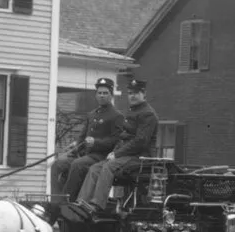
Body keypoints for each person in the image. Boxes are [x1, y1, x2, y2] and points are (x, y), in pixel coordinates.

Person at [71, 78, 159, 217]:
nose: (133, 96)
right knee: (95, 168)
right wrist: (114, 152)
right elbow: (123, 137)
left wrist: (117, 155)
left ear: (144, 94)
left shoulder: (147, 114)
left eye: (136, 93)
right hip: (126, 155)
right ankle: (82, 203)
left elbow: (140, 142)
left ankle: (97, 205)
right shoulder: (131, 112)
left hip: (141, 157)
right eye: (130, 93)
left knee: (108, 167)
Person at [50, 77, 125, 210]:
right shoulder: (92, 114)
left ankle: (68, 202)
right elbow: (83, 136)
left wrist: (96, 142)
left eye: (105, 93)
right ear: (96, 95)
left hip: (100, 156)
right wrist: (75, 146)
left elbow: (115, 140)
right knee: (58, 164)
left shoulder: (116, 116)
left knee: (77, 165)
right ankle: (55, 201)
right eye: (99, 93)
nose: (101, 96)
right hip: (84, 153)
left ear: (111, 95)